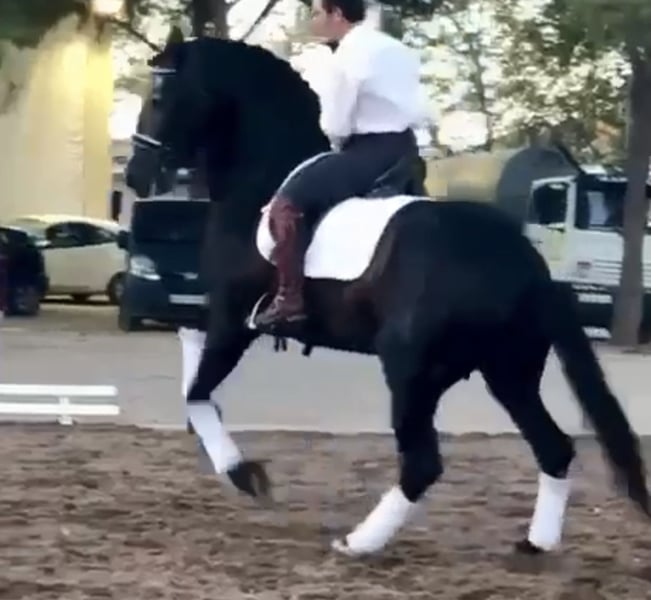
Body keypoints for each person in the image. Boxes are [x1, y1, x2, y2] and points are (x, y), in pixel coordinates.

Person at [255, 0, 426, 330]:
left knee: (286, 204)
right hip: (406, 150)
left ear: (337, 14)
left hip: (367, 152)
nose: (313, 20)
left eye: (317, 13)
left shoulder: (347, 55)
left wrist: (335, 140)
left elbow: (335, 125)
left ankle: (289, 299)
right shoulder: (398, 50)